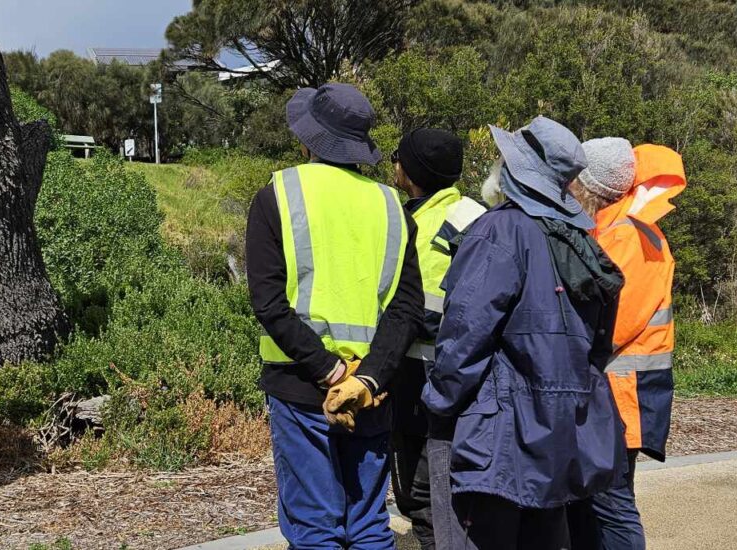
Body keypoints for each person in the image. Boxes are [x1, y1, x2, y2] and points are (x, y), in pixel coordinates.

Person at [423, 116, 627, 550]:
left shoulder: (500, 230)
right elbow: (599, 343)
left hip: (494, 436)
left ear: (512, 172)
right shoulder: (579, 240)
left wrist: (438, 404)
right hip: (556, 432)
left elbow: (464, 335)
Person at [245, 83, 423, 548]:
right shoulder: (392, 206)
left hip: (301, 385)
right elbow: (406, 308)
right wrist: (367, 380)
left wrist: (329, 369)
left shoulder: (276, 195)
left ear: (309, 140)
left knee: (314, 527)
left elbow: (268, 303)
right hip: (372, 391)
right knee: (367, 524)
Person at [567, 139, 686, 550]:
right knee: (593, 502)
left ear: (592, 187)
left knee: (610, 504)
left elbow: (608, 326)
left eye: (572, 180)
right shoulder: (622, 228)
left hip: (621, 396)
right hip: (621, 392)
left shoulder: (624, 238)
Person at [387, 128, 486, 550]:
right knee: (428, 496)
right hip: (440, 371)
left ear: (410, 171)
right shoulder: (473, 212)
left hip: (427, 374)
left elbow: (424, 307)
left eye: (398, 158)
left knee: (427, 498)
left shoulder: (428, 220)